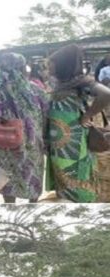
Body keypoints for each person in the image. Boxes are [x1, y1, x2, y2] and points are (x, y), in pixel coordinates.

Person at [0, 52, 49, 204]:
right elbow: (46, 114)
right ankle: (33, 204)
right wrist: (43, 136)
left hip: (6, 143)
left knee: (7, 175)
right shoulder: (36, 89)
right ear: (23, 68)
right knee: (32, 173)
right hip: (32, 142)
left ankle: (9, 204)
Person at [46, 44, 110, 202]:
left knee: (76, 171)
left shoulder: (82, 82)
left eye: (51, 63)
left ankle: (81, 201)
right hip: (57, 140)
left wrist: (87, 116)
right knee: (61, 171)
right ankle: (66, 198)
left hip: (74, 139)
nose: (49, 67)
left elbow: (106, 94)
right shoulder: (59, 83)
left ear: (63, 64)